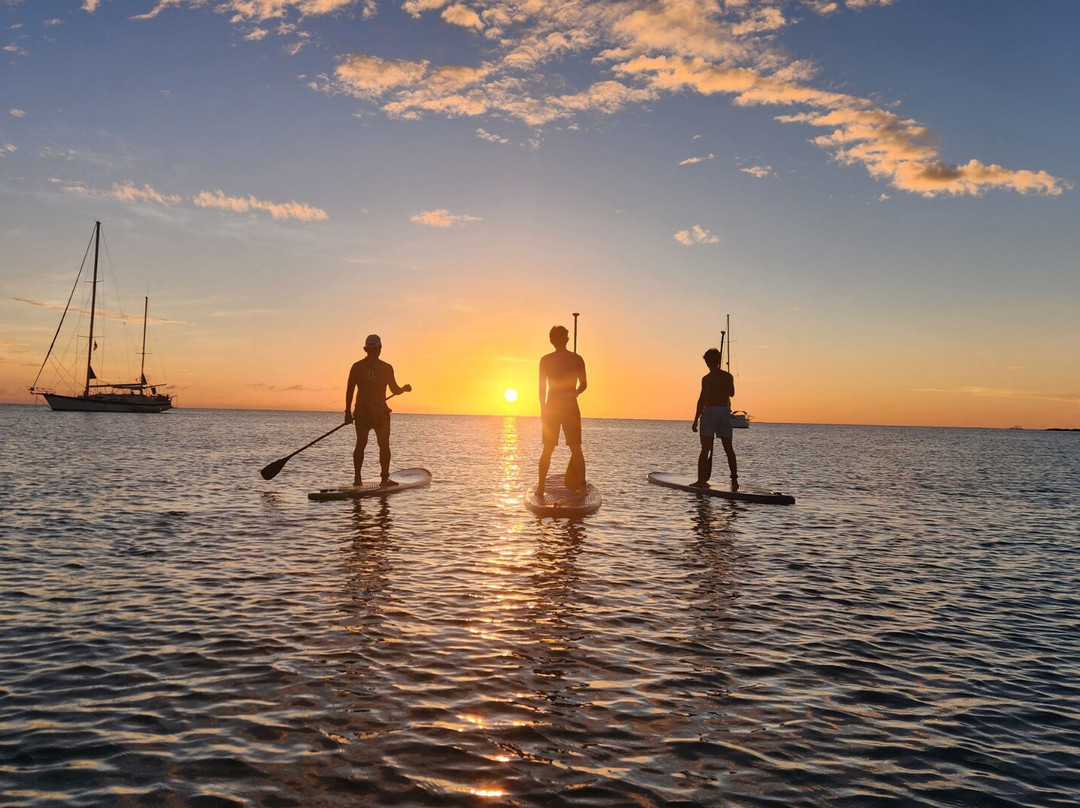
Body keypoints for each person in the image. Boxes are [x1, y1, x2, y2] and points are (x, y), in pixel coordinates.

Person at [345, 334, 411, 487]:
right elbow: (395, 389)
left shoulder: (356, 367)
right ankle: (384, 479)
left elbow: (349, 391)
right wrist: (404, 389)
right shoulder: (386, 368)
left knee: (360, 445)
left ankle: (357, 479)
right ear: (380, 349)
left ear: (366, 349)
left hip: (361, 412)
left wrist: (347, 412)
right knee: (384, 445)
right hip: (379, 412)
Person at [538, 325, 588, 497]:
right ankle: (581, 487)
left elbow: (541, 389)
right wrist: (575, 392)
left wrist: (543, 410)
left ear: (551, 340)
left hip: (552, 407)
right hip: (569, 406)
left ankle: (541, 487)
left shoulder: (545, 360)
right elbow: (584, 385)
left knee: (548, 449)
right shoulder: (576, 359)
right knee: (576, 449)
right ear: (566, 339)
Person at [691, 347, 738, 490]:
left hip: (710, 411)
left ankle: (700, 480)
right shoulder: (728, 376)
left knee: (705, 448)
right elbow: (732, 393)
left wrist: (695, 420)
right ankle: (734, 480)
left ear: (707, 362)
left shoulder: (706, 379)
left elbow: (702, 400)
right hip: (724, 412)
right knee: (728, 448)